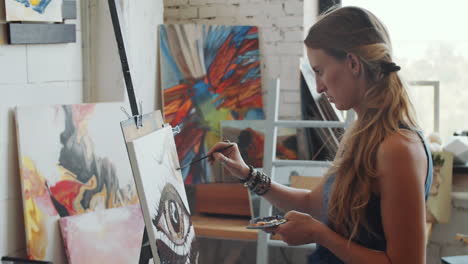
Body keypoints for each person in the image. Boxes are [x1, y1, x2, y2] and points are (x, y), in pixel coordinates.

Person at [208, 6, 433, 264]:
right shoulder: (363, 135)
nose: (318, 86)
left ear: (353, 63)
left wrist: (320, 234)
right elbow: (312, 203)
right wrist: (247, 174)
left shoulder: (398, 148)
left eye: (320, 71)